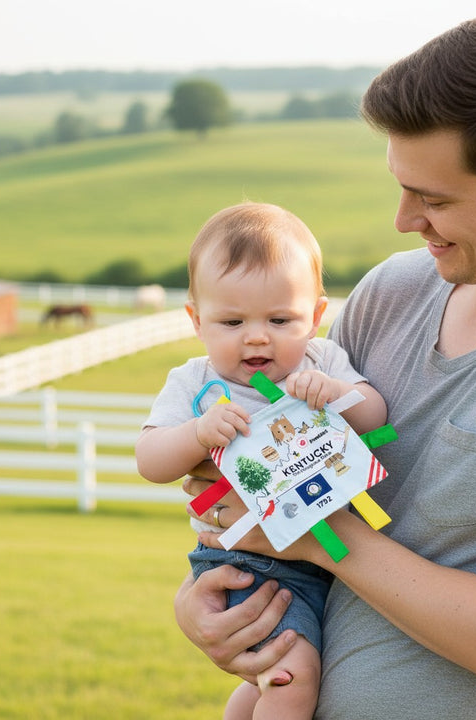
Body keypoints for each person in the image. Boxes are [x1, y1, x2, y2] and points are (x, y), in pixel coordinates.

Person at [173, 12, 476, 720]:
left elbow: (314, 521)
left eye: (435, 198)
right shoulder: (390, 293)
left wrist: (319, 532)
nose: (404, 220)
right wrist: (220, 598)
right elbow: (264, 464)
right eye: (403, 186)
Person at [136, 202, 386, 720]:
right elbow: (151, 460)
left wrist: (336, 393)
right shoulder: (195, 382)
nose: (256, 336)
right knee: (293, 675)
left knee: (269, 680)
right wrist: (197, 434)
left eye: (280, 319)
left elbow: (376, 413)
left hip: (328, 565)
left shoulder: (321, 362)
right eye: (231, 321)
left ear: (315, 317)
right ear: (196, 320)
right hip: (245, 561)